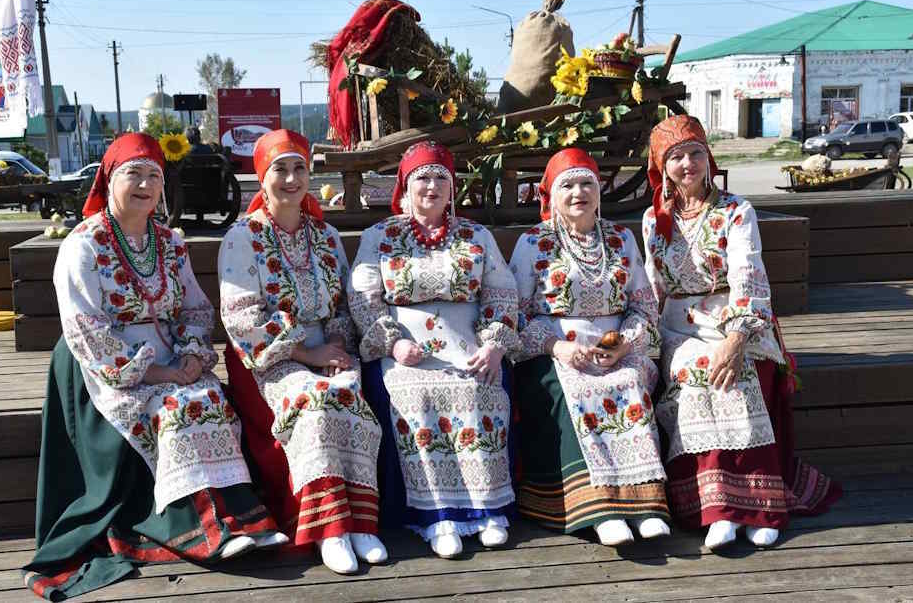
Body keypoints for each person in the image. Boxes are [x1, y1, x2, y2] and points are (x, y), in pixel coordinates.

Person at [23, 133, 285, 601]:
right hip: (104, 368)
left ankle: (241, 519)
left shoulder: (169, 242)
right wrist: (159, 373)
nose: (144, 184)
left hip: (171, 357)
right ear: (108, 179)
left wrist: (188, 354)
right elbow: (86, 330)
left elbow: (196, 310)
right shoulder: (82, 246)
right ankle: (204, 531)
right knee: (178, 408)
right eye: (133, 174)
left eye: (153, 176)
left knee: (210, 399)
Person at [643, 115, 841, 551]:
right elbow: (653, 287)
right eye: (676, 156)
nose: (689, 164)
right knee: (696, 377)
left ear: (709, 158)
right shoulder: (653, 219)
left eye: (696, 153)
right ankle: (716, 511)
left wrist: (735, 339)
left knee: (736, 374)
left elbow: (748, 274)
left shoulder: (736, 210)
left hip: (736, 318)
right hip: (678, 326)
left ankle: (761, 507)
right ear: (662, 167)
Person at [220, 129, 385, 575]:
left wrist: (337, 349)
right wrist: (308, 355)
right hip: (267, 356)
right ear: (261, 177)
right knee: (313, 401)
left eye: (299, 169)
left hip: (325, 346)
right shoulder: (243, 237)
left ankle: (359, 521)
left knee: (350, 391)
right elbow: (242, 318)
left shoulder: (327, 236)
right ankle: (328, 527)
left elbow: (342, 305)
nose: (291, 179)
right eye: (280, 169)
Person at [349, 141, 520, 559]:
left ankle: (487, 509)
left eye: (440, 178)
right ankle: (436, 516)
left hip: (467, 344)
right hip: (406, 349)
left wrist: (495, 344)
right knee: (415, 396)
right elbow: (363, 296)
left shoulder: (476, 235)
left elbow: (503, 292)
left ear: (452, 188)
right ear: (404, 188)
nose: (431, 186)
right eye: (421, 178)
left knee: (480, 389)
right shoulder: (380, 236)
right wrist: (392, 340)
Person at [508, 148, 672, 546]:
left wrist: (622, 343)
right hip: (554, 353)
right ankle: (599, 511)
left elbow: (643, 305)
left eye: (587, 184)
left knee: (630, 380)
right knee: (577, 388)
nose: (578, 192)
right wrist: (556, 347)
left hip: (615, 347)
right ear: (551, 194)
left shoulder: (620, 238)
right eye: (568, 184)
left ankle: (645, 507)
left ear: (599, 193)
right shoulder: (533, 243)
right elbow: (514, 315)